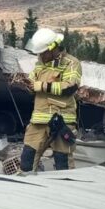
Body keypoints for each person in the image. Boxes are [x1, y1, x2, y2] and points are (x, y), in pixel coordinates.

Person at [20, 28, 81, 172]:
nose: (40, 55)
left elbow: (70, 88)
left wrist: (40, 85)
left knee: (62, 162)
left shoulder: (71, 63)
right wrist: (26, 85)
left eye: (43, 52)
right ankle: (26, 190)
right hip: (39, 120)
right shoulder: (40, 65)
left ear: (53, 48)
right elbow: (32, 85)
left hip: (62, 120)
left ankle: (64, 190)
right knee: (27, 159)